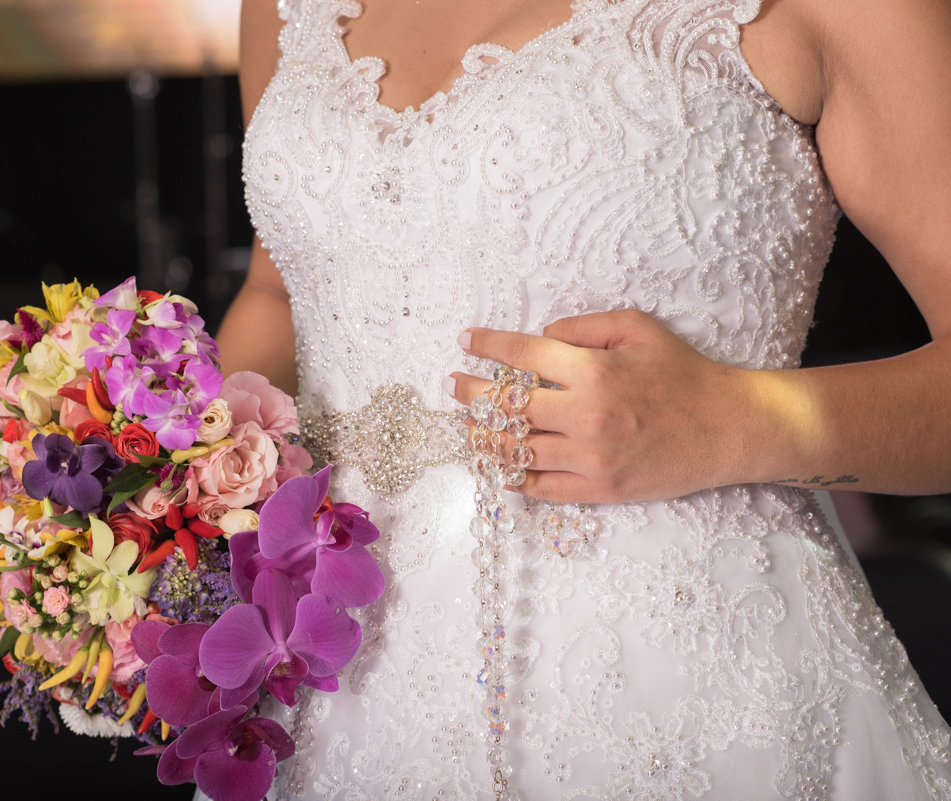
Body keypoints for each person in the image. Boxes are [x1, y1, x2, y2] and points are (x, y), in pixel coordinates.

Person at [216, 0, 951, 797]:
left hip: (694, 700)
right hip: (327, 699)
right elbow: (279, 291)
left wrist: (742, 422)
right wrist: (177, 489)